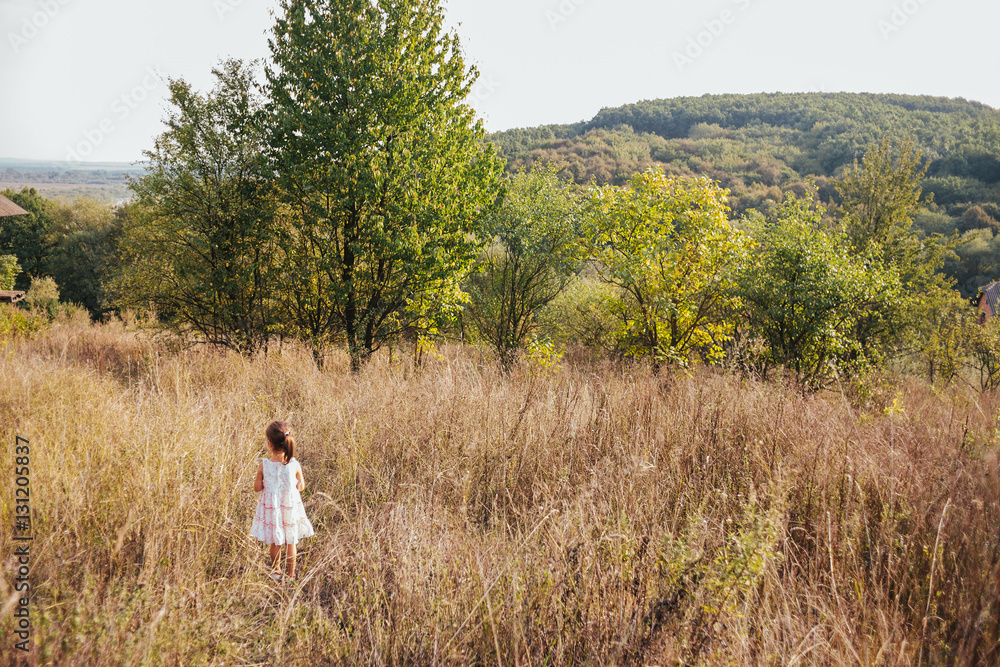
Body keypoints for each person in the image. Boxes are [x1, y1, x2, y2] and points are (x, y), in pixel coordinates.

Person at [250, 421, 315, 581]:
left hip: (273, 510)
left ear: (269, 443)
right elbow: (301, 486)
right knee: (291, 542)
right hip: (290, 509)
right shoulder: (294, 464)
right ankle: (291, 574)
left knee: (275, 542)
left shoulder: (264, 465)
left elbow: (257, 488)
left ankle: (276, 571)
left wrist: (265, 482)